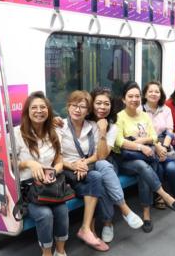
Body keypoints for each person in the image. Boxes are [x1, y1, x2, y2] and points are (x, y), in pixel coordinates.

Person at [114, 81, 175, 233]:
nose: (134, 99)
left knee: (144, 170)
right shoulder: (119, 117)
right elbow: (119, 141)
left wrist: (140, 141)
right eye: (130, 96)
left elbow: (153, 136)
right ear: (123, 99)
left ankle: (146, 214)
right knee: (141, 166)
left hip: (145, 156)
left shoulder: (145, 116)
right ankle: (164, 195)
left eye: (137, 96)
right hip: (126, 160)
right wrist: (141, 146)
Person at [12, 91, 68, 256]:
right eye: (34, 107)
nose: (39, 111)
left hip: (50, 185)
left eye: (43, 107)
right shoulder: (16, 134)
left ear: (48, 110)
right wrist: (29, 164)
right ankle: (47, 252)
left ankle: (61, 251)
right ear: (27, 112)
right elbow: (7, 163)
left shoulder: (54, 132)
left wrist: (52, 171)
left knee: (62, 210)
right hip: (28, 189)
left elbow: (59, 161)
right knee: (45, 214)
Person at [86, 87, 143, 243]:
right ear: (91, 103)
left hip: (104, 161)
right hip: (87, 164)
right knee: (101, 173)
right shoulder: (82, 120)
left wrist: (103, 131)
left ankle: (107, 223)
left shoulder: (112, 126)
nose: (102, 107)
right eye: (98, 103)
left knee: (103, 169)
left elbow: (103, 155)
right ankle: (124, 211)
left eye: (106, 104)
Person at [56, 90, 110, 251]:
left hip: (85, 167)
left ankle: (85, 228)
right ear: (68, 107)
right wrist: (73, 165)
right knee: (95, 179)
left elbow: (99, 155)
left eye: (82, 106)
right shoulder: (60, 126)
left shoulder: (92, 126)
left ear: (88, 110)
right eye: (74, 105)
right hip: (65, 168)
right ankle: (88, 230)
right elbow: (55, 156)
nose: (77, 110)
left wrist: (83, 163)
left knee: (95, 176)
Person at [142, 81, 175, 206]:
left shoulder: (166, 109)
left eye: (157, 91)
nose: (154, 94)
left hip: (165, 142)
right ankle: (159, 197)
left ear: (161, 94)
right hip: (149, 144)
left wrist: (164, 147)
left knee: (171, 168)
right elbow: (142, 133)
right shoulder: (140, 109)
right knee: (157, 169)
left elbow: (170, 130)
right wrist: (157, 147)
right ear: (145, 94)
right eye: (150, 91)